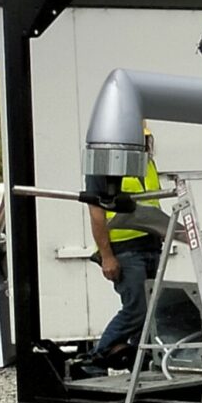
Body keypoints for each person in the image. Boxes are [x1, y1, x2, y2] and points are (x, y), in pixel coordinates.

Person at [71, 130, 175, 379]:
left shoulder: (147, 163)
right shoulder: (103, 166)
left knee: (150, 310)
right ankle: (98, 355)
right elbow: (97, 215)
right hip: (125, 249)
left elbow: (151, 203)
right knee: (137, 308)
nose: (145, 146)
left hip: (150, 244)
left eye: (146, 141)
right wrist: (107, 256)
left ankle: (140, 361)